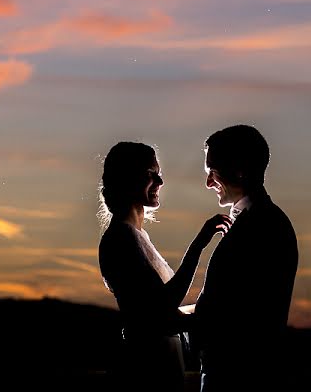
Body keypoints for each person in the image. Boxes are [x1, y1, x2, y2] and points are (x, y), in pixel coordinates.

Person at [97, 141, 231, 392]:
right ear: (128, 178)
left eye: (159, 173)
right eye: (151, 174)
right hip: (145, 371)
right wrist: (198, 245)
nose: (160, 182)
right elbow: (162, 309)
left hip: (163, 364)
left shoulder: (137, 236)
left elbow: (166, 311)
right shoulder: (120, 239)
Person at [191, 124, 299, 391]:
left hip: (238, 379)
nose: (208, 183)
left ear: (239, 169)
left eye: (212, 172)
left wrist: (158, 320)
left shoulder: (263, 226)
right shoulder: (263, 221)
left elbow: (234, 312)